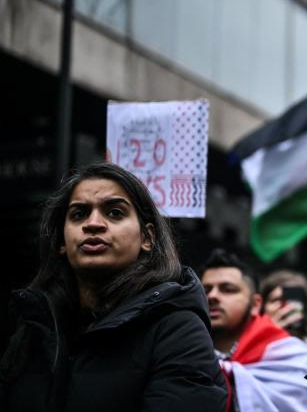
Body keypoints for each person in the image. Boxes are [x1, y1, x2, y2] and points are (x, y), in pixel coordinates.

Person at [0, 162, 227, 411]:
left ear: (147, 238)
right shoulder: (32, 327)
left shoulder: (177, 328)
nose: (93, 223)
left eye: (115, 213)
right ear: (61, 242)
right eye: (79, 214)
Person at [200, 249, 307, 412]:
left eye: (227, 289)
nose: (212, 296)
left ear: (255, 305)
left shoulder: (293, 354)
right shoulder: (180, 352)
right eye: (205, 290)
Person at [261, 270, 307, 358]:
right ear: (261, 306)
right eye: (276, 300)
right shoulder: (250, 350)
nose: (285, 307)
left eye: (292, 299)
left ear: (306, 307)